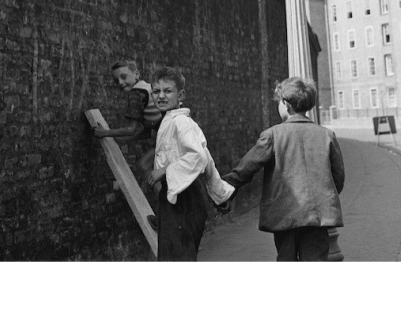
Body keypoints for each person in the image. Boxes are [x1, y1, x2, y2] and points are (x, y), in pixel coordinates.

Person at [221, 77, 344, 261]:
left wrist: (223, 190)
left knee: (286, 260)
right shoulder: (327, 135)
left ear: (286, 104)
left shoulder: (272, 135)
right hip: (318, 215)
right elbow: (338, 177)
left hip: (283, 215)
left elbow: (246, 168)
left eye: (279, 102)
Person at [148, 67, 233, 261]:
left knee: (178, 255)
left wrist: (164, 171)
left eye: (167, 91)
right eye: (156, 91)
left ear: (181, 95)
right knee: (173, 253)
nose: (161, 96)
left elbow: (199, 157)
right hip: (176, 193)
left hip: (186, 197)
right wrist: (219, 194)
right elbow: (206, 155)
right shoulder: (170, 120)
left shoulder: (181, 122)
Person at [91, 59, 162, 177]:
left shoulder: (136, 94)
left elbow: (131, 129)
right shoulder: (147, 87)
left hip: (171, 136)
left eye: (123, 77)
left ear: (137, 74)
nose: (120, 82)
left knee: (143, 166)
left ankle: (164, 195)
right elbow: (146, 133)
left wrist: (104, 133)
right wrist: (121, 139)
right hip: (174, 133)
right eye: (116, 80)